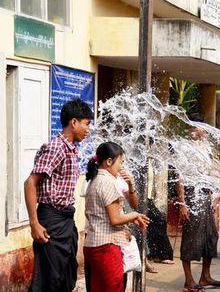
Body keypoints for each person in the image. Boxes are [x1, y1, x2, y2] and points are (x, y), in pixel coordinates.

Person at [24, 99, 93, 291]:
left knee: (66, 277)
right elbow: (30, 182)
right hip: (51, 220)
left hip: (65, 221)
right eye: (86, 123)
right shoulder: (56, 147)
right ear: (74, 122)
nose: (88, 129)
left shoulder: (71, 149)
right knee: (48, 281)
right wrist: (34, 223)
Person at [83, 142, 150, 292]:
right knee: (114, 287)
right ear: (109, 162)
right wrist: (134, 215)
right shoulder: (108, 182)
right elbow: (115, 219)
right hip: (106, 246)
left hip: (94, 244)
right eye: (121, 162)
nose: (121, 167)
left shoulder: (95, 180)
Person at [177, 115, 220, 292]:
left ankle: (205, 276)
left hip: (207, 194)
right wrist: (182, 203)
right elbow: (180, 177)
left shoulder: (206, 146)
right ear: (191, 128)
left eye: (203, 127)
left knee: (211, 236)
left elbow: (212, 172)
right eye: (198, 127)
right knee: (191, 237)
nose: (201, 131)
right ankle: (188, 280)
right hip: (191, 194)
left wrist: (216, 196)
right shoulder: (183, 147)